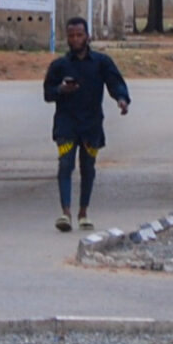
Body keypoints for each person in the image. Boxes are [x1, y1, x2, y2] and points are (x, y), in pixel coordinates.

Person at [42, 15, 129, 231]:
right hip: (66, 125)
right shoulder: (59, 65)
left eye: (79, 35)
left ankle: (83, 213)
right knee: (65, 165)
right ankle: (65, 213)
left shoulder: (101, 62)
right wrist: (61, 89)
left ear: (88, 36)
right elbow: (47, 94)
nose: (75, 39)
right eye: (71, 35)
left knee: (88, 167)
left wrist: (122, 99)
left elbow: (115, 83)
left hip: (91, 125)